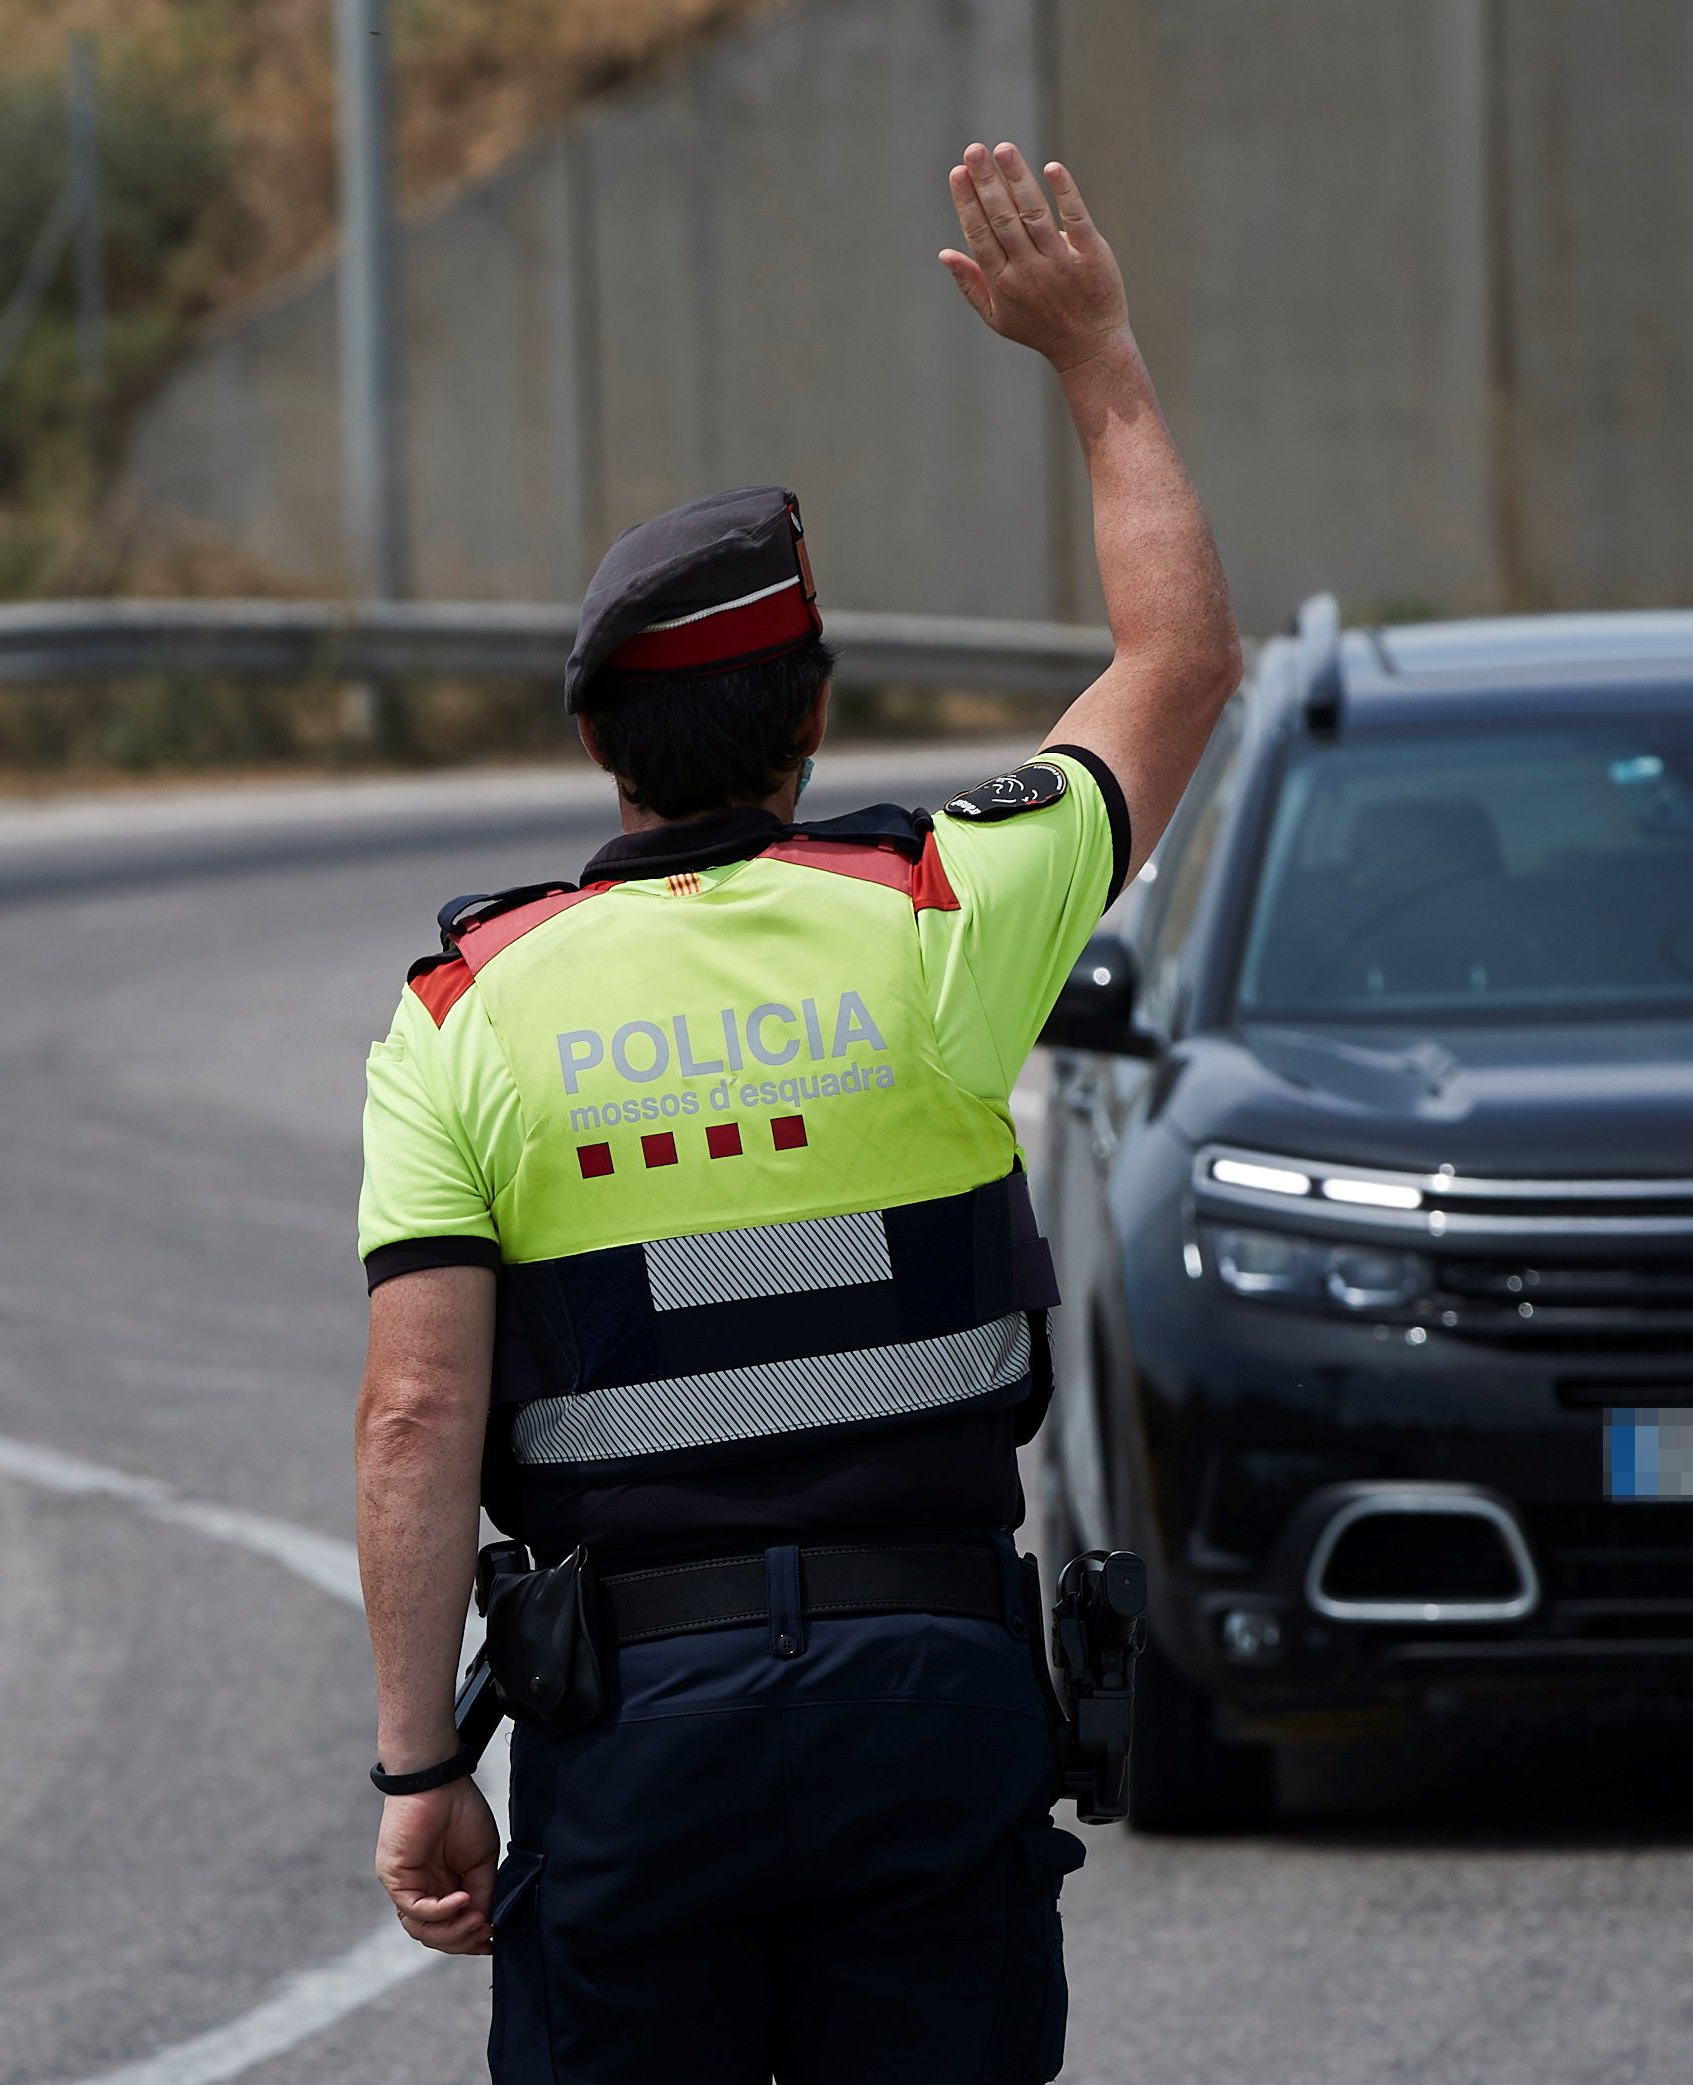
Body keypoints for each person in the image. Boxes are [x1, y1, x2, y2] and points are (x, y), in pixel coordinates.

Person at [350, 142, 1236, 2083]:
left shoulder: (463, 1009)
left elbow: (417, 1407)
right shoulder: (936, 915)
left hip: (636, 1731)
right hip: (926, 1698)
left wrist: (425, 1758)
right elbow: (1177, 666)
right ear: (812, 712)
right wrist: (1094, 356)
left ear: (597, 739)